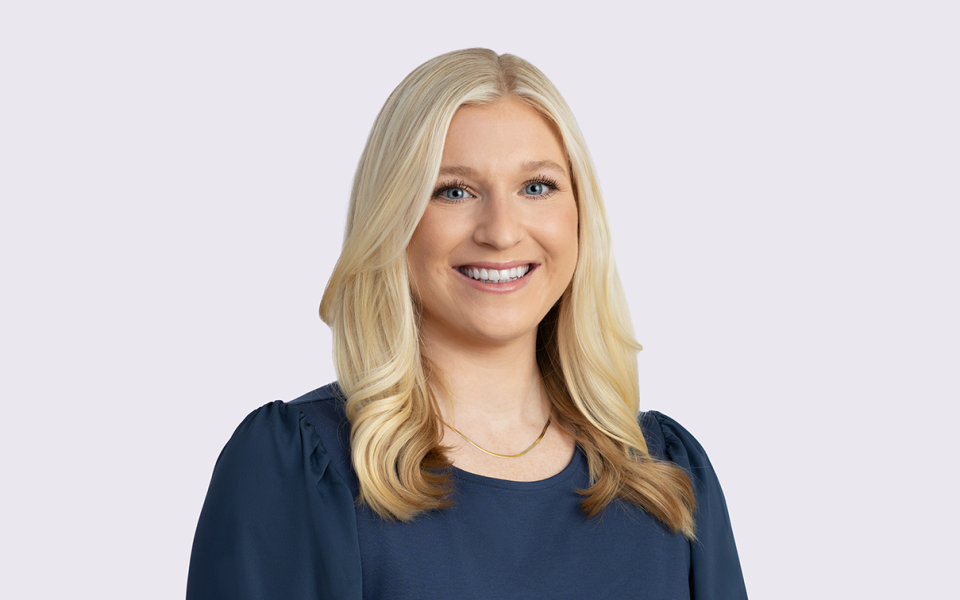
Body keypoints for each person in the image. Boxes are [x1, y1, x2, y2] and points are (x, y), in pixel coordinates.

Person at [187, 48, 747, 600]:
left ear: (580, 215)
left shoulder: (667, 478)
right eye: (454, 191)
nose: (501, 232)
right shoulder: (299, 471)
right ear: (393, 219)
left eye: (536, 187)